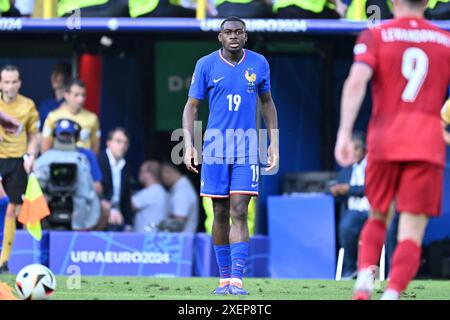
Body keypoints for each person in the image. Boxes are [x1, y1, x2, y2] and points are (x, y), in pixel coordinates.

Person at [334, 0, 450, 300]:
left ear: (393, 2)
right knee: (411, 231)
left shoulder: (376, 34)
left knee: (378, 215)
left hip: (385, 140)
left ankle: (364, 282)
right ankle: (393, 293)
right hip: (427, 142)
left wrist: (344, 133)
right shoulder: (444, 39)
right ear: (427, 2)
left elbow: (356, 80)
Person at [182, 16, 279, 295]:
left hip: (247, 148)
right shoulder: (205, 64)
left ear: (245, 37)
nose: (233, 36)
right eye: (228, 32)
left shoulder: (259, 64)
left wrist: (273, 143)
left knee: (239, 209)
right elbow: (191, 107)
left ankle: (237, 279)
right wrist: (189, 144)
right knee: (220, 212)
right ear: (220, 37)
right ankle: (224, 279)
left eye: (239, 32)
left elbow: (268, 104)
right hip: (215, 150)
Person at [0, 65, 40, 274]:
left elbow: (34, 134)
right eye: (6, 82)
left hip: (17, 162)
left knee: (10, 210)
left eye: (14, 81)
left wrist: (31, 154)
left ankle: (3, 262)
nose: (10, 86)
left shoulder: (28, 106)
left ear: (20, 83)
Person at [34, 119, 100, 231]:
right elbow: (36, 186)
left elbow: (90, 191)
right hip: (49, 205)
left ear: (76, 136)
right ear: (55, 135)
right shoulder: (45, 159)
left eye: (68, 134)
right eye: (62, 134)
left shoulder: (83, 159)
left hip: (77, 207)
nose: (65, 137)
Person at [331, 132, 369, 279]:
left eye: (357, 148)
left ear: (365, 149)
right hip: (353, 211)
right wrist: (336, 191)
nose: (354, 152)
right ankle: (351, 268)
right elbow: (338, 189)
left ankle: (376, 269)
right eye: (352, 149)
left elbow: (372, 187)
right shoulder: (346, 171)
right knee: (345, 227)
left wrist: (349, 189)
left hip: (372, 210)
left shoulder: (372, 166)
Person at [41, 79, 101, 154]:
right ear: (66, 95)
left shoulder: (93, 118)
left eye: (83, 95)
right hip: (59, 161)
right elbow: (45, 147)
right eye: (76, 95)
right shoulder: (53, 116)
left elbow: (95, 148)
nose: (80, 99)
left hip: (83, 162)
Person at [97, 127, 133, 232]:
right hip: (99, 214)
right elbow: (94, 191)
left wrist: (129, 224)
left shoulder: (125, 166)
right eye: (118, 141)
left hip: (118, 217)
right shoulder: (99, 161)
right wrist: (109, 210)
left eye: (126, 143)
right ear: (108, 143)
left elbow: (126, 197)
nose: (122, 146)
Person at [161, 161, 199, 233]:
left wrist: (160, 225)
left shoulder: (182, 192)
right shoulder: (179, 189)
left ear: (167, 171)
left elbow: (178, 223)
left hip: (183, 241)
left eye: (161, 175)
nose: (161, 180)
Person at [132, 160, 169, 233]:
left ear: (149, 174)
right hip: (155, 236)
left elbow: (129, 206)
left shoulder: (152, 191)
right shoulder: (162, 191)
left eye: (141, 171)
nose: (139, 174)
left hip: (146, 238)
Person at [38, 62, 72, 130]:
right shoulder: (45, 105)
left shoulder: (72, 103)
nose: (54, 77)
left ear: (68, 77)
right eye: (53, 73)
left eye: (59, 73)